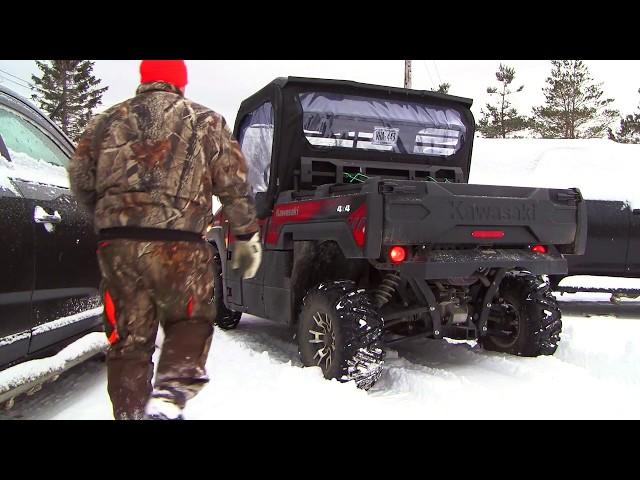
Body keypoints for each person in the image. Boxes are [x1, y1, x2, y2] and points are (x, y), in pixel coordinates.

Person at [68, 60, 262, 420]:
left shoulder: (105, 121)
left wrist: (109, 218)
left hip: (119, 247)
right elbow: (234, 185)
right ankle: (169, 398)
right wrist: (247, 234)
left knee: (129, 341)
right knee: (189, 321)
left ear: (144, 80)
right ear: (180, 83)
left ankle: (131, 415)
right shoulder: (206, 121)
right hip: (181, 246)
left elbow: (80, 177)